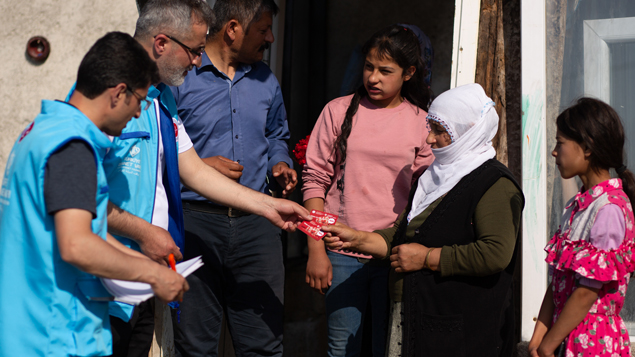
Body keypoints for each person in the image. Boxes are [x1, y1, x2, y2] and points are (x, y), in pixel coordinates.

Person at [95, 1, 309, 356]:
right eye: (193, 51)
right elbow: (82, 201)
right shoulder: (105, 103)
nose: (197, 62)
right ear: (161, 43)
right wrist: (147, 233)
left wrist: (270, 205)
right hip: (101, 281)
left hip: (138, 281)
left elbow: (193, 170)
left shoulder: (162, 101)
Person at [0, 32, 189, 357]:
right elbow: (77, 245)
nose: (137, 114)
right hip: (55, 337)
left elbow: (89, 230)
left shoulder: (42, 131)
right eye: (140, 102)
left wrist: (150, 266)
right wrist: (152, 275)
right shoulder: (73, 147)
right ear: (118, 93)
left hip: (32, 328)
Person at [321, 83, 525, 357]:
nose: (430, 140)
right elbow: (405, 236)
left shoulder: (494, 184)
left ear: (468, 131)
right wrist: (356, 238)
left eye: (440, 131)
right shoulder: (434, 177)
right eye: (430, 128)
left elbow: (496, 253)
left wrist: (428, 258)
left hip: (457, 329)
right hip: (416, 315)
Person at [169, 0, 296, 355]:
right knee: (194, 346)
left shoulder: (266, 80)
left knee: (264, 345)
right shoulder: (181, 79)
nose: (270, 38)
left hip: (258, 229)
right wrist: (200, 166)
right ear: (233, 29)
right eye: (263, 29)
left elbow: (276, 136)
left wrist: (280, 162)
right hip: (195, 226)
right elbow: (162, 150)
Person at [302, 24, 434, 357]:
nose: (373, 77)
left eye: (385, 71)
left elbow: (428, 194)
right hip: (341, 253)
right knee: (341, 349)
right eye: (369, 67)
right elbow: (315, 179)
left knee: (388, 348)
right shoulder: (337, 111)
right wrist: (316, 250)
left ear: (409, 73)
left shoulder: (421, 123)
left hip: (394, 255)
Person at [528, 98, 635, 357]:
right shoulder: (580, 205)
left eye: (560, 143)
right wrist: (537, 338)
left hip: (591, 343)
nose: (554, 151)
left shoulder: (608, 208)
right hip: (565, 334)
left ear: (587, 148)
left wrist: (547, 345)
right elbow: (558, 283)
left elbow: (587, 293)